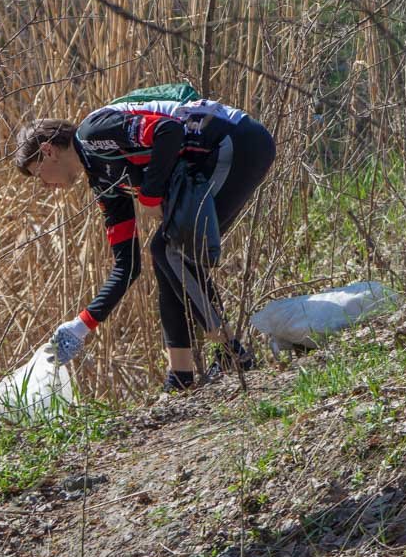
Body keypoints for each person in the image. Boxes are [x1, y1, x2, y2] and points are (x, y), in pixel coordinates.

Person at [14, 95, 276, 391]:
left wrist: (149, 196)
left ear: (48, 151)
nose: (47, 187)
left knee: (169, 249)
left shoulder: (93, 134)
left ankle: (233, 354)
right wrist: (80, 326)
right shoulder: (104, 182)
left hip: (238, 142)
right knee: (163, 254)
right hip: (218, 154)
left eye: (39, 176)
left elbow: (168, 131)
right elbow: (127, 266)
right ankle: (180, 376)